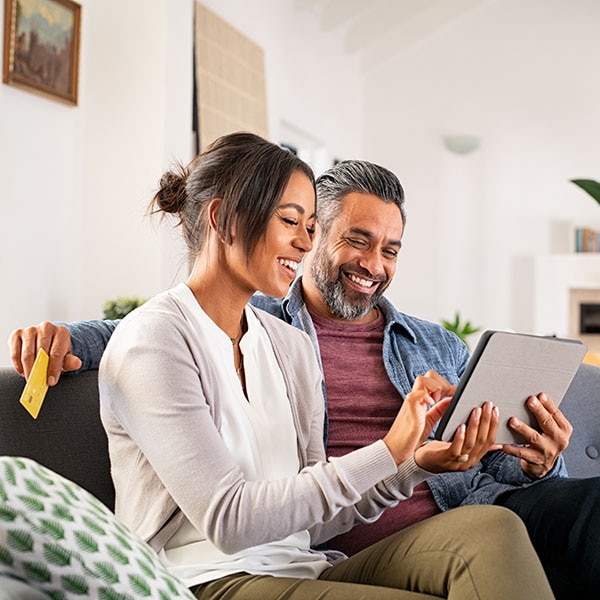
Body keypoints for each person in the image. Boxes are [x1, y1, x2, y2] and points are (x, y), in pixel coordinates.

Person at [9, 145, 557, 599]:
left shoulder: (289, 345)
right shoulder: (155, 340)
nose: (304, 241)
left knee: (493, 530)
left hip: (304, 565)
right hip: (209, 578)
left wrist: (414, 465)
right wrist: (389, 450)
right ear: (222, 219)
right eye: (290, 221)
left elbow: (319, 524)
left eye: (311, 226)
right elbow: (228, 520)